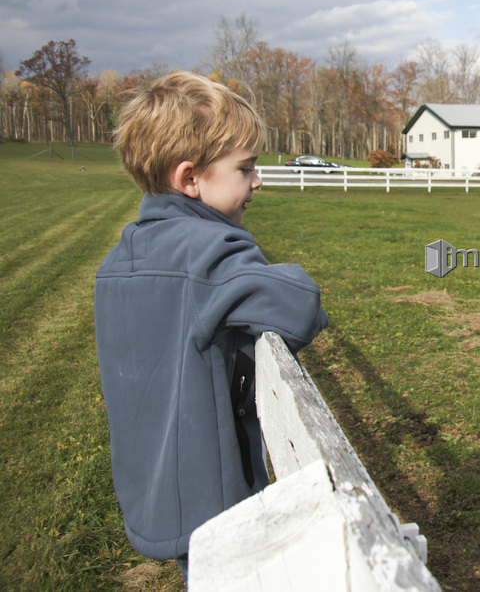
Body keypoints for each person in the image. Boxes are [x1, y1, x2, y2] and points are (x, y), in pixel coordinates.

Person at [94, 71, 328, 583]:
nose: (257, 181)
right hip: (214, 495)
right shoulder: (210, 253)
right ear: (190, 179)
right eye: (246, 168)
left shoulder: (117, 259)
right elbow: (300, 306)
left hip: (151, 483)